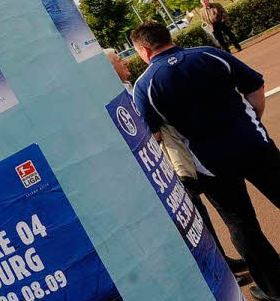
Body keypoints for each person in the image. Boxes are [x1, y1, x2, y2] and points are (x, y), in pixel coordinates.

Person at [131, 21, 280, 301]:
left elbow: (154, 134)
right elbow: (255, 87)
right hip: (255, 144)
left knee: (242, 224)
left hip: (210, 164)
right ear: (167, 37)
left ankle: (276, 291)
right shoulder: (208, 54)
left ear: (144, 50)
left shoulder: (145, 86)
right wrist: (253, 120)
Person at [104, 49, 247, 276]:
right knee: (189, 218)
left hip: (177, 159)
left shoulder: (129, 87)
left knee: (199, 213)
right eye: (119, 60)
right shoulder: (116, 98)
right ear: (109, 69)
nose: (124, 62)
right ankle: (215, 270)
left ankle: (222, 261)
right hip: (162, 166)